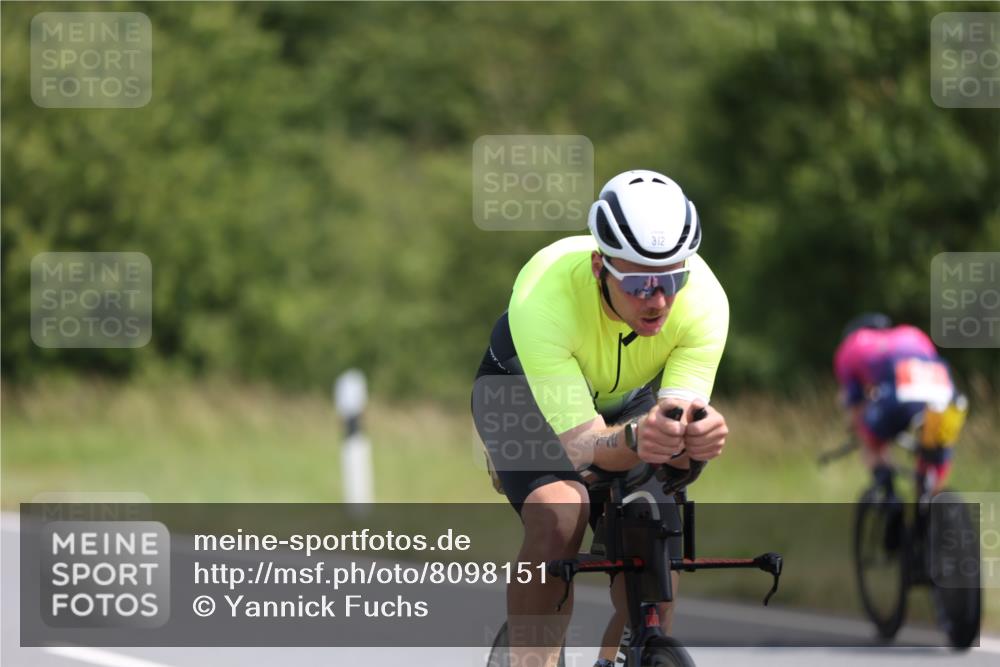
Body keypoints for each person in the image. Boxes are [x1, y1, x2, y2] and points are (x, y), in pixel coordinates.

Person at [472, 170, 730, 667]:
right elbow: (579, 447)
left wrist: (695, 439)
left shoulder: (705, 302)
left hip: (624, 401)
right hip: (519, 396)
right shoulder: (543, 295)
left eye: (671, 279)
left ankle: (630, 653)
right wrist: (639, 437)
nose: (657, 299)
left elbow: (674, 419)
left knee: (656, 523)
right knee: (561, 511)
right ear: (599, 267)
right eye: (638, 283)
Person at [833, 314, 963, 498]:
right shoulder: (913, 334)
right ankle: (933, 502)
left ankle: (888, 494)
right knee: (934, 454)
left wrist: (856, 428)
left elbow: (855, 405)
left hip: (900, 396)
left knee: (873, 444)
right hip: (948, 398)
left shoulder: (850, 346)